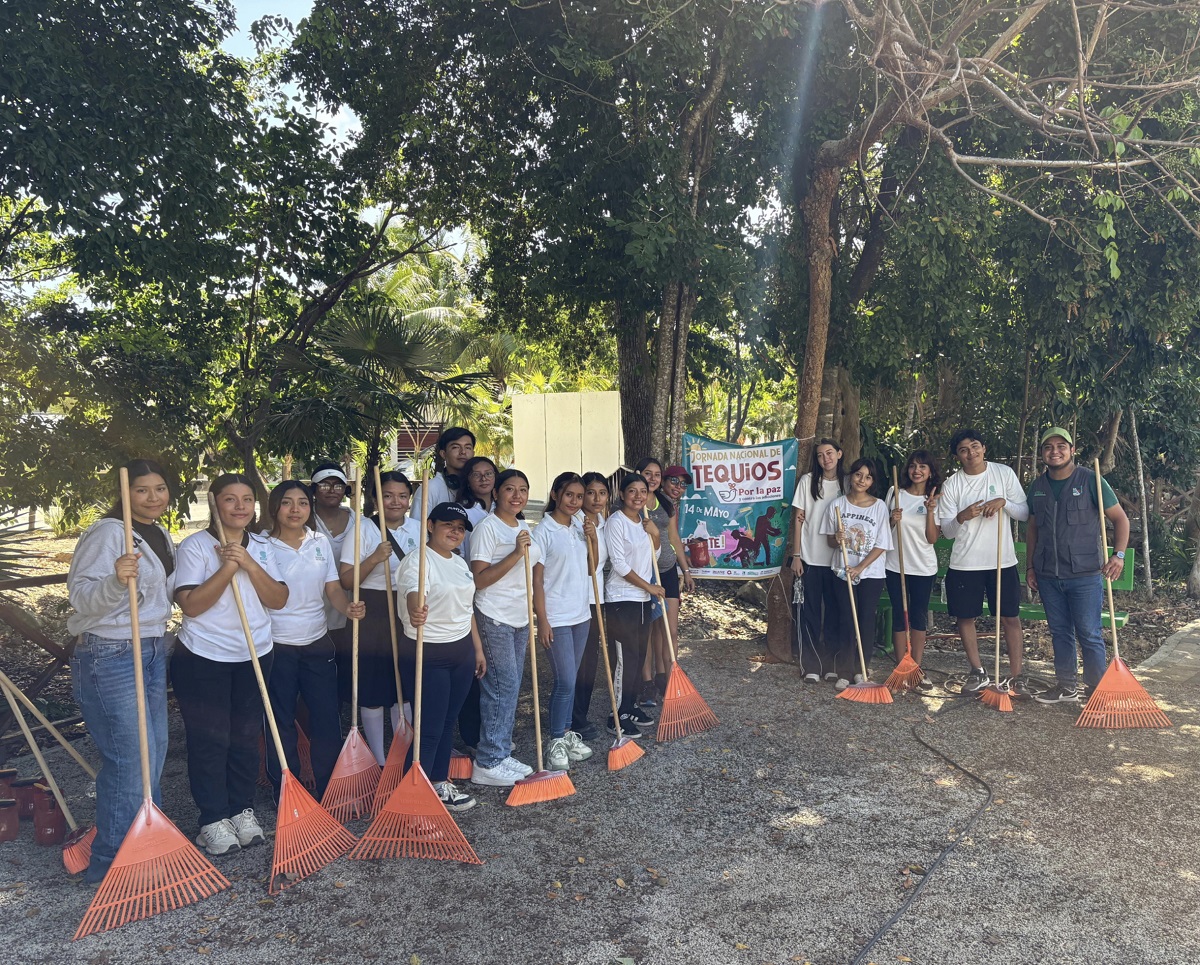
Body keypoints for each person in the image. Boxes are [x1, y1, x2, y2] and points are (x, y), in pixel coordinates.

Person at [67, 459, 176, 883]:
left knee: (155, 752)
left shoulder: (160, 533)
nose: (153, 497)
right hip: (109, 650)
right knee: (129, 759)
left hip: (150, 646)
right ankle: (110, 863)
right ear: (125, 493)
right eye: (142, 490)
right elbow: (80, 597)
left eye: (160, 488)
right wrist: (115, 581)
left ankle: (148, 846)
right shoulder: (109, 531)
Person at [172, 474, 288, 856]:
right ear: (214, 503)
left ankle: (241, 809)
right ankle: (212, 819)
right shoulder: (196, 546)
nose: (239, 507)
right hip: (204, 657)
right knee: (210, 741)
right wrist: (226, 567)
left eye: (247, 499)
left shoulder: (265, 546)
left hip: (254, 654)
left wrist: (249, 564)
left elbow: (278, 599)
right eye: (230, 499)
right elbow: (190, 604)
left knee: (243, 738)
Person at [263, 481, 365, 799]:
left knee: (326, 717)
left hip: (318, 641)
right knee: (280, 720)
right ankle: (287, 789)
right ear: (274, 508)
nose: (296, 510)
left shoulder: (319, 541)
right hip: (276, 644)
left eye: (303, 503)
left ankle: (328, 786)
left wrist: (347, 608)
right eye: (287, 503)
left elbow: (332, 588)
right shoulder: (260, 546)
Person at [1027, 428, 1130, 704]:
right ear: (1042, 454)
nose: (1055, 451)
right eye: (1048, 447)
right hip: (1048, 574)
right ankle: (1066, 687)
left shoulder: (1091, 480)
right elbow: (1033, 529)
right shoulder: (1037, 487)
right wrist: (1030, 567)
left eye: (1061, 445)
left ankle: (1096, 691)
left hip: (1084, 574)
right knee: (1059, 632)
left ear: (1072, 450)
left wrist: (1118, 555)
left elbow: (1120, 519)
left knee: (1089, 633)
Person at [397, 502, 487, 812]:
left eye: (460, 528)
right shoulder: (417, 562)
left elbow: (467, 609)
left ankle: (437, 780)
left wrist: (476, 649)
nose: (455, 532)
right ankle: (411, 796)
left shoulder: (459, 562)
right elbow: (412, 592)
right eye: (448, 525)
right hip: (428, 653)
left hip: (460, 651)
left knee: (448, 723)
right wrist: (415, 608)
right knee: (429, 727)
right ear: (431, 525)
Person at [937, 429, 1030, 694]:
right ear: (958, 456)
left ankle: (1016, 676)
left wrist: (1004, 502)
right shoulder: (952, 484)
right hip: (966, 563)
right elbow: (948, 530)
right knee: (965, 618)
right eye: (964, 450)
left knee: (1010, 617)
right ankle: (977, 671)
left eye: (975, 446)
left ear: (984, 448)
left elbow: (1024, 513)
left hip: (1002, 561)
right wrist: (962, 516)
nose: (971, 453)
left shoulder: (1003, 473)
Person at [337, 471, 420, 766]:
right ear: (375, 498)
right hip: (371, 608)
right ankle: (379, 758)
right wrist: (374, 558)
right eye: (387, 495)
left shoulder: (419, 528)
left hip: (406, 607)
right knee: (372, 685)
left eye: (401, 495)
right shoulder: (361, 529)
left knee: (405, 683)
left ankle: (405, 752)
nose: (395, 501)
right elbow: (347, 581)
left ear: (409, 499)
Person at [469, 469, 544, 787]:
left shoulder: (522, 524)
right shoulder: (487, 528)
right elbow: (479, 580)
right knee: (501, 688)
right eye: (510, 489)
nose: (517, 495)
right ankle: (487, 762)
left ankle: (499, 751)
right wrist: (516, 553)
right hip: (494, 616)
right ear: (497, 492)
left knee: (510, 688)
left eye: (523, 490)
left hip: (519, 618)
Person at [532, 473, 596, 771]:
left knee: (573, 680)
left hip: (581, 614)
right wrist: (541, 619)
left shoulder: (579, 528)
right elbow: (537, 580)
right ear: (556, 494)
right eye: (569, 495)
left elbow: (591, 568)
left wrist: (592, 538)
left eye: (579, 496)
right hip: (556, 616)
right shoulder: (542, 531)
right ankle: (556, 739)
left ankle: (568, 733)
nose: (575, 501)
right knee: (565, 680)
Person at [820, 458, 892, 688]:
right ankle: (844, 671)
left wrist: (861, 567)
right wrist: (837, 538)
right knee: (846, 619)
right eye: (859, 474)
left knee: (865, 619)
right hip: (842, 570)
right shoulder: (837, 505)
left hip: (871, 573)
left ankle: (862, 668)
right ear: (851, 476)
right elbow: (830, 541)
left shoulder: (879, 506)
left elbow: (882, 543)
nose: (862, 480)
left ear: (872, 481)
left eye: (868, 476)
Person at [604, 474, 663, 738]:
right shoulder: (616, 522)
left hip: (640, 600)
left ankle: (630, 706)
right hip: (621, 598)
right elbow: (619, 564)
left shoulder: (644, 522)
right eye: (632, 491)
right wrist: (649, 587)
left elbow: (654, 556)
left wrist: (657, 535)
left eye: (643, 491)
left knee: (638, 657)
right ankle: (616, 715)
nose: (638, 496)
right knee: (624, 660)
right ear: (622, 494)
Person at [637, 458, 694, 705]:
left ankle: (671, 677)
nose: (652, 479)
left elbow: (674, 537)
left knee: (669, 629)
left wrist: (686, 570)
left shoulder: (666, 504)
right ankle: (647, 682)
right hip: (644, 572)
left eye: (656, 475)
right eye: (648, 474)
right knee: (649, 630)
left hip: (668, 570)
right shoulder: (633, 500)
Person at [884, 451, 943, 694]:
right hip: (895, 565)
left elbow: (932, 538)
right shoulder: (894, 492)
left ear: (930, 472)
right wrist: (892, 519)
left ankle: (916, 669)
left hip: (922, 567)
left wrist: (930, 510)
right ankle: (901, 669)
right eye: (912, 466)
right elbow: (883, 531)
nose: (916, 470)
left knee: (917, 617)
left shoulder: (935, 498)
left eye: (922, 467)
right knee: (900, 615)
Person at [788, 439, 846, 681]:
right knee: (809, 613)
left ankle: (832, 664)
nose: (826, 459)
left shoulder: (848, 484)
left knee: (835, 613)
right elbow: (798, 520)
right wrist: (797, 555)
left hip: (839, 562)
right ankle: (810, 665)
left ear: (839, 454)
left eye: (830, 453)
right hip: (810, 558)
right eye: (821, 455)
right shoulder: (807, 481)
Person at [308, 462, 357, 701]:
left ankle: (339, 715)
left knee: (343, 667)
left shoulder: (359, 523)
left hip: (348, 606)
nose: (332, 490)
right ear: (314, 489)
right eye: (325, 484)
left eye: (338, 485)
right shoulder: (304, 522)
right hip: (314, 607)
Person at [571, 472, 610, 739]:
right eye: (591, 493)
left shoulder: (605, 521)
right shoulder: (576, 522)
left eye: (602, 493)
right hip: (579, 597)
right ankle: (573, 718)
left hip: (598, 598)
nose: (596, 499)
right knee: (578, 663)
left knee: (590, 662)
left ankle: (580, 714)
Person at [416, 427, 476, 515]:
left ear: (473, 453)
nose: (463, 452)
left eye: (468, 447)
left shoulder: (480, 486)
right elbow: (417, 526)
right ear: (443, 454)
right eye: (455, 447)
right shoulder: (430, 489)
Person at [454, 456, 498, 561]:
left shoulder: (503, 508)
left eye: (488, 474)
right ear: (467, 480)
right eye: (476, 475)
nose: (483, 478)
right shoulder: (461, 511)